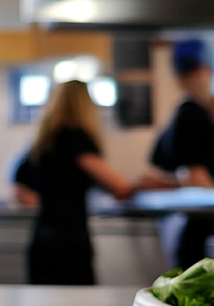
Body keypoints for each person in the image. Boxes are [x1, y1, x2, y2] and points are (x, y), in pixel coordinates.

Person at [27, 80, 139, 285]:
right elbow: (119, 186)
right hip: (68, 240)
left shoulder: (44, 141)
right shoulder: (75, 137)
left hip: (42, 236)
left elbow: (20, 189)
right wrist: (146, 184)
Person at [145, 38, 214, 270]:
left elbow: (156, 173)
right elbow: (196, 177)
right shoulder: (192, 115)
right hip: (197, 227)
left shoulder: (182, 114)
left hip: (182, 226)